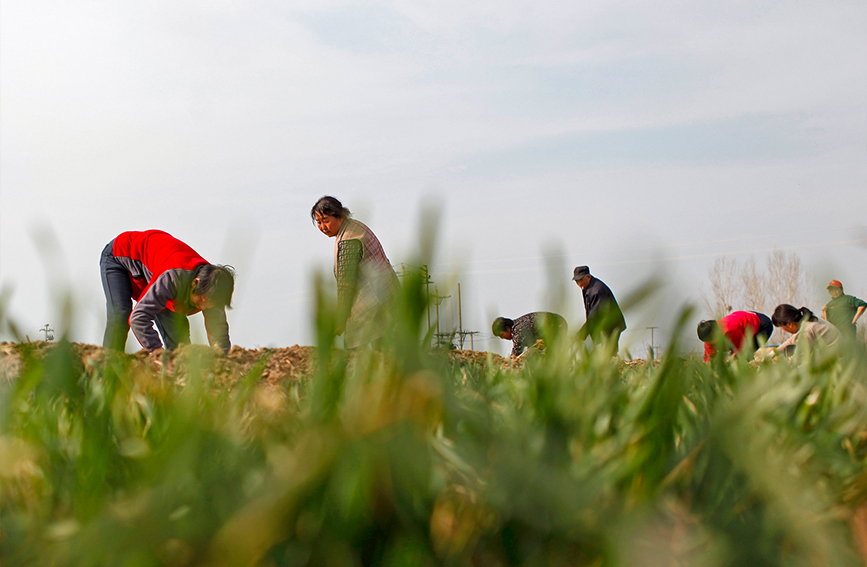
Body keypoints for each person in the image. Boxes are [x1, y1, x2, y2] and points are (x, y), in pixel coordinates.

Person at [100, 230, 235, 353]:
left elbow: (219, 334)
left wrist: (224, 360)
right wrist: (157, 351)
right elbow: (139, 317)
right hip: (120, 256)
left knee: (180, 343)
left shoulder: (214, 288)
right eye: (202, 302)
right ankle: (108, 369)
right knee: (120, 314)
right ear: (195, 283)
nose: (205, 308)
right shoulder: (172, 278)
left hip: (157, 271)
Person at [311, 196, 400, 349]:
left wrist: (340, 318)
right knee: (383, 348)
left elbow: (346, 284)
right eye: (319, 222)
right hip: (385, 295)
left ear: (339, 215)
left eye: (326, 220)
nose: (323, 226)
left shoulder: (349, 239)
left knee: (356, 349)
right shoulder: (353, 227)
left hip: (374, 300)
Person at [572, 266, 626, 352]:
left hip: (611, 326)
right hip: (603, 325)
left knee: (608, 353)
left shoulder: (597, 291)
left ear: (588, 277)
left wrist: (581, 334)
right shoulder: (587, 287)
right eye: (577, 281)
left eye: (581, 280)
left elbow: (594, 316)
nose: (579, 284)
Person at [697, 310, 774, 362]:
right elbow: (709, 357)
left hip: (762, 324)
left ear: (716, 334)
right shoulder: (708, 337)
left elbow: (740, 350)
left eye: (710, 341)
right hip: (740, 319)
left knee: (746, 356)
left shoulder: (730, 330)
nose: (709, 343)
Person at [772, 304, 842, 356]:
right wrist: (773, 353)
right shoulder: (807, 322)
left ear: (790, 324)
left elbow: (799, 358)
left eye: (782, 327)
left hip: (840, 362)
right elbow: (791, 341)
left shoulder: (806, 331)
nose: (784, 330)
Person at [492, 312, 567, 360]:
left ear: (507, 328)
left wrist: (505, 362)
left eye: (501, 335)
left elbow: (515, 355)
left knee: (551, 358)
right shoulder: (518, 325)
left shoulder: (518, 331)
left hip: (557, 327)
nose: (503, 338)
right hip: (558, 323)